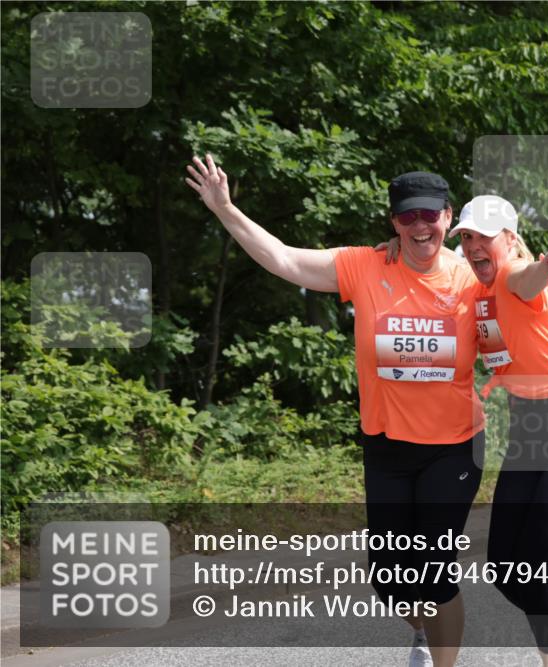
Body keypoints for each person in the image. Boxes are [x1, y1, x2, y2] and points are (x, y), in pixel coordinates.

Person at [185, 156, 484, 667]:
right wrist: (225, 208)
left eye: (429, 216)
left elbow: (525, 300)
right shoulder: (365, 265)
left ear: (448, 218)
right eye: (407, 217)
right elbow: (283, 259)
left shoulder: (473, 280)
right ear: (393, 222)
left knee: (435, 569)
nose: (419, 227)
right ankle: (423, 629)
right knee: (389, 577)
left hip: (453, 447)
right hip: (386, 446)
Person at [449, 195, 548, 667]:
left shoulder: (513, 273)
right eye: (469, 237)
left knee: (530, 573)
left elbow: (528, 278)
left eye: (485, 237)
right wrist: (395, 246)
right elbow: (433, 254)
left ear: (512, 239)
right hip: (529, 432)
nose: (476, 246)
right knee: (504, 569)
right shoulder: (475, 281)